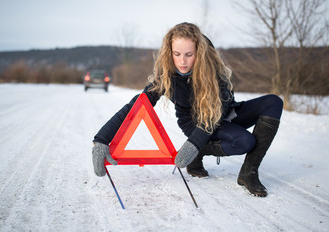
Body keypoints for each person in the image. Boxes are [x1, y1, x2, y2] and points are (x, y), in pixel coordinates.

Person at [92, 22, 283, 197]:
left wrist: (193, 145)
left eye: (188, 55)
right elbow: (136, 106)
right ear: (170, 52)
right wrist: (101, 139)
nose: (182, 61)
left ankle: (249, 172)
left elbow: (217, 113)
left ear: (198, 52)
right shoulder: (166, 76)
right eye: (177, 54)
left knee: (273, 102)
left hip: (222, 115)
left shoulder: (215, 71)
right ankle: (198, 151)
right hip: (193, 122)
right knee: (245, 141)